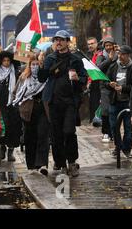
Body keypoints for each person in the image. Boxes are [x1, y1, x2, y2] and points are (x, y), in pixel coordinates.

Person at [38, 30, 87, 177]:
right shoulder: (50, 58)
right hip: (53, 102)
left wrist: (78, 78)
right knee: (56, 134)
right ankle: (60, 163)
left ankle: (72, 162)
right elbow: (42, 78)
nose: (58, 42)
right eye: (56, 40)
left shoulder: (76, 59)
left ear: (67, 41)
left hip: (70, 102)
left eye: (61, 40)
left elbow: (84, 78)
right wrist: (41, 66)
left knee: (69, 131)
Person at [12, 54, 49, 174]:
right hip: (28, 109)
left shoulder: (45, 77)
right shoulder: (24, 77)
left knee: (43, 135)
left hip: (43, 108)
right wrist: (20, 106)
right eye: (33, 64)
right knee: (30, 137)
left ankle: (42, 163)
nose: (35, 67)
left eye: (37, 64)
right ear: (29, 65)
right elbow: (16, 93)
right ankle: (31, 165)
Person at [105, 45, 132, 159]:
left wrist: (123, 88)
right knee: (114, 127)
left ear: (128, 55)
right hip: (114, 101)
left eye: (122, 54)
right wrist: (110, 84)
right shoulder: (113, 66)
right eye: (119, 54)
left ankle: (127, 149)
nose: (120, 56)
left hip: (128, 103)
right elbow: (106, 82)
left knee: (128, 128)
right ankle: (117, 147)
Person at [0, 51, 22, 162]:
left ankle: (11, 151)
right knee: (2, 126)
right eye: (4, 61)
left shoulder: (15, 72)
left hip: (13, 103)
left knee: (13, 127)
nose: (6, 63)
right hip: (0, 103)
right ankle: (2, 148)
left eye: (8, 61)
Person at [96, 37, 117, 142]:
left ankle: (113, 132)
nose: (108, 47)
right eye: (106, 45)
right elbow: (98, 68)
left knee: (115, 110)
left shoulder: (118, 54)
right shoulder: (101, 56)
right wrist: (109, 59)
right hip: (104, 85)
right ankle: (105, 132)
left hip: (116, 85)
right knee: (105, 110)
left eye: (110, 45)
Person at [86, 37, 102, 126]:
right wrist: (88, 81)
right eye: (89, 44)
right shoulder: (91, 55)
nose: (90, 45)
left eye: (92, 43)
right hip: (92, 83)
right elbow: (89, 71)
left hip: (98, 83)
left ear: (96, 43)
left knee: (97, 104)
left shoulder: (99, 54)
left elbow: (96, 70)